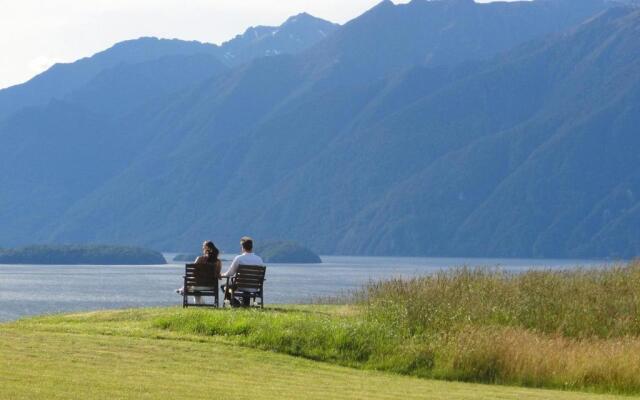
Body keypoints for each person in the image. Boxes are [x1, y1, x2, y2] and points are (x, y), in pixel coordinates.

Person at [221, 236, 263, 306]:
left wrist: (222, 274)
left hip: (241, 286)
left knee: (224, 287)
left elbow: (230, 273)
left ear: (242, 247)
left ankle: (236, 303)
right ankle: (243, 304)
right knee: (240, 286)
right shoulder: (259, 259)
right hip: (254, 287)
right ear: (252, 247)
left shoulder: (239, 258)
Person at [176, 240, 221, 305]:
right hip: (211, 286)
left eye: (203, 246)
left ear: (206, 248)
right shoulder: (218, 262)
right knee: (193, 286)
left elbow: (192, 273)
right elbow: (217, 274)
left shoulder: (199, 259)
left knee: (193, 285)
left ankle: (183, 290)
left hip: (197, 285)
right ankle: (200, 303)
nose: (202, 248)